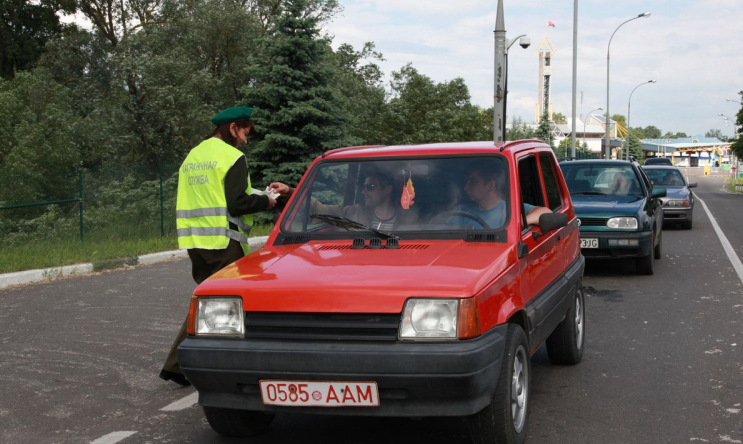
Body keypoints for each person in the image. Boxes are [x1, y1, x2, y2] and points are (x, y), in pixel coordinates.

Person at [160, 107, 277, 387]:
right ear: (233, 127)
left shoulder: (194, 155)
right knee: (234, 302)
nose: (245, 141)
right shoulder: (231, 157)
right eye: (245, 133)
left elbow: (212, 197)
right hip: (224, 242)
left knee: (208, 304)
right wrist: (266, 201)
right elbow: (237, 203)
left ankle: (177, 367)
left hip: (195, 242)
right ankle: (205, 366)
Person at [270, 169, 415, 232]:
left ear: (387, 190)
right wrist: (289, 192)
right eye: (363, 187)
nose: (364, 192)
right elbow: (317, 209)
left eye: (370, 187)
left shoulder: (410, 218)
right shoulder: (352, 212)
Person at [448, 163, 551, 229]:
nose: (465, 187)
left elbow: (546, 212)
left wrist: (520, 223)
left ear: (490, 185)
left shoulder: (510, 210)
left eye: (473, 182)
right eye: (466, 182)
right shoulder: (462, 210)